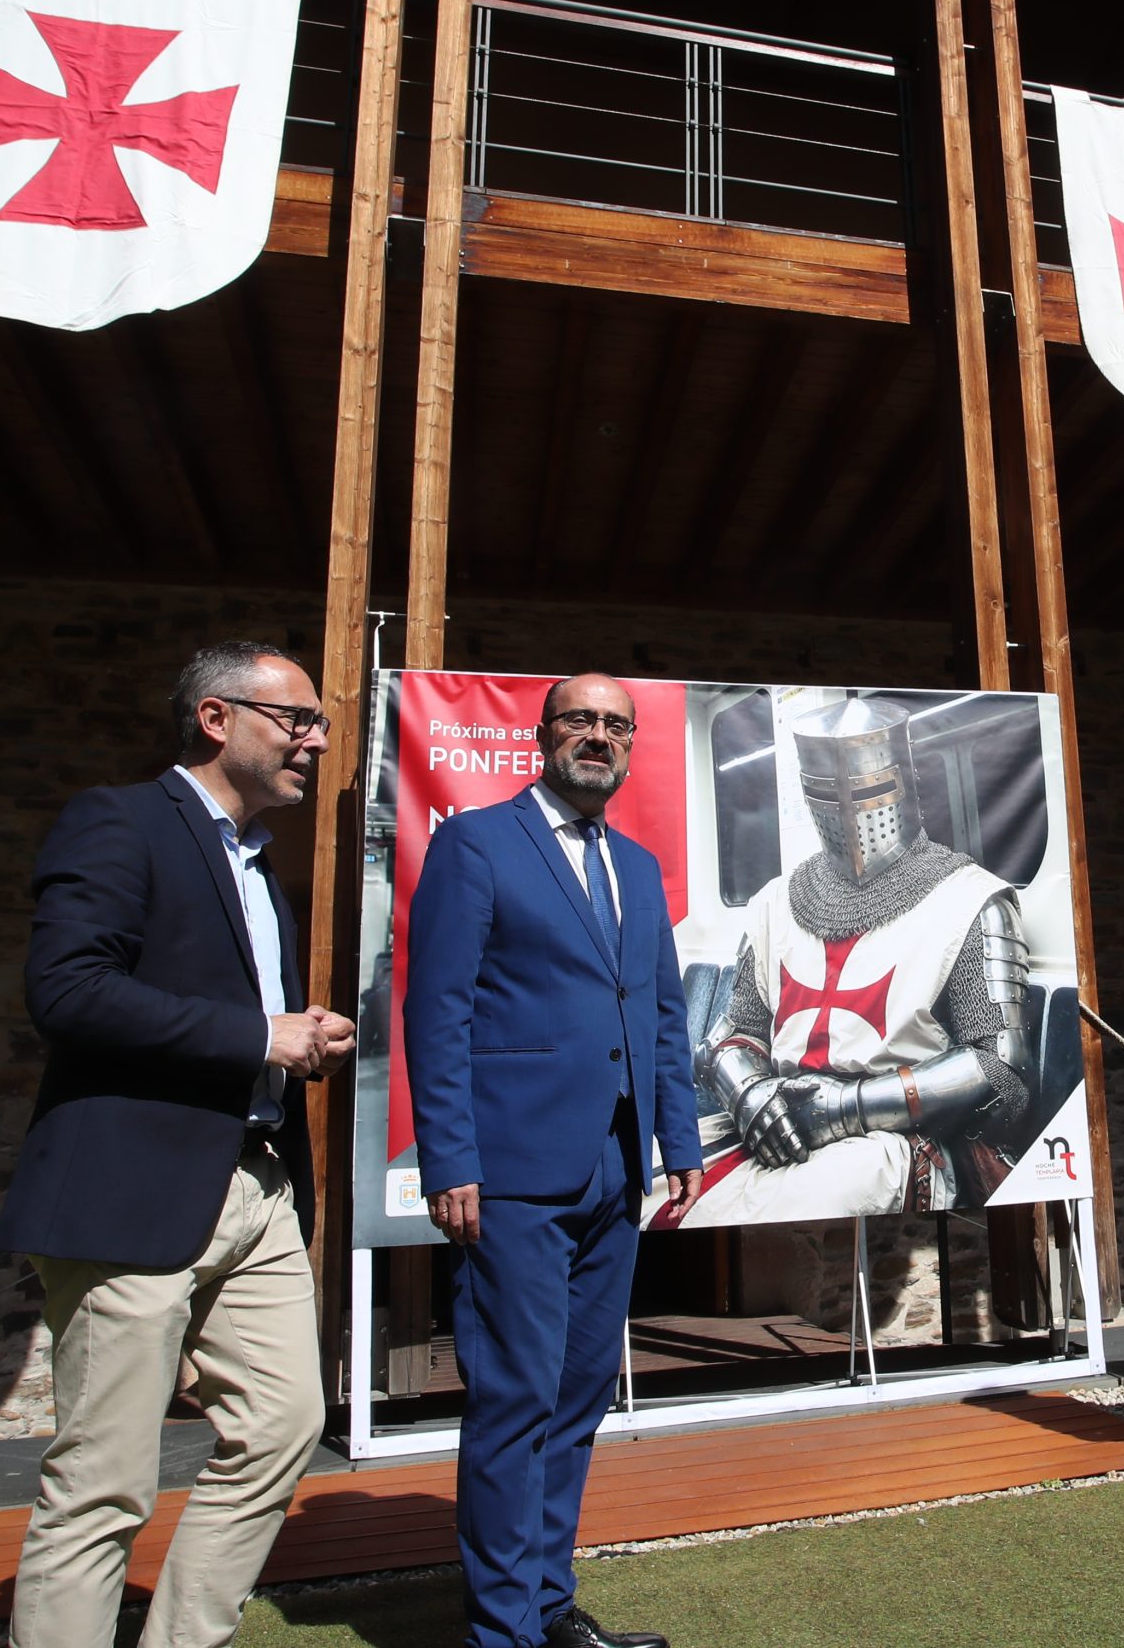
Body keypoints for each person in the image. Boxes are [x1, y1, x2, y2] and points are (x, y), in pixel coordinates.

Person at [0, 640, 356, 1648]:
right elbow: (65, 990)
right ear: (216, 718)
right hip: (130, 1193)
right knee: (103, 1481)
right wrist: (259, 1034)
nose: (318, 741)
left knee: (286, 1427)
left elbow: (228, 1014)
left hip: (257, 1185)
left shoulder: (257, 863)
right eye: (298, 719)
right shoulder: (117, 820)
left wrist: (299, 1038)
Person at [404, 674, 704, 1648]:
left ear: (630, 749)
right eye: (580, 719)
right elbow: (436, 1011)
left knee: (577, 1397)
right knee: (515, 1397)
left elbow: (661, 1017)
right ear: (542, 735)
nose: (599, 736)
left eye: (617, 725)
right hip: (510, 1175)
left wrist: (680, 1140)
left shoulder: (638, 865)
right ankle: (501, 1631)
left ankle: (546, 1606)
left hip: (614, 1173)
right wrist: (448, 1157)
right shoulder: (476, 844)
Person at [670, 694, 1038, 1227]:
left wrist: (844, 1109)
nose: (849, 811)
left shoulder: (970, 899)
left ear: (904, 782)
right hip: (775, 1117)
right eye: (824, 790)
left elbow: (999, 1066)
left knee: (785, 1206)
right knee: (648, 1184)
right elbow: (734, 1033)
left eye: (869, 787)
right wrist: (750, 1094)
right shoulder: (775, 902)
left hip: (895, 1136)